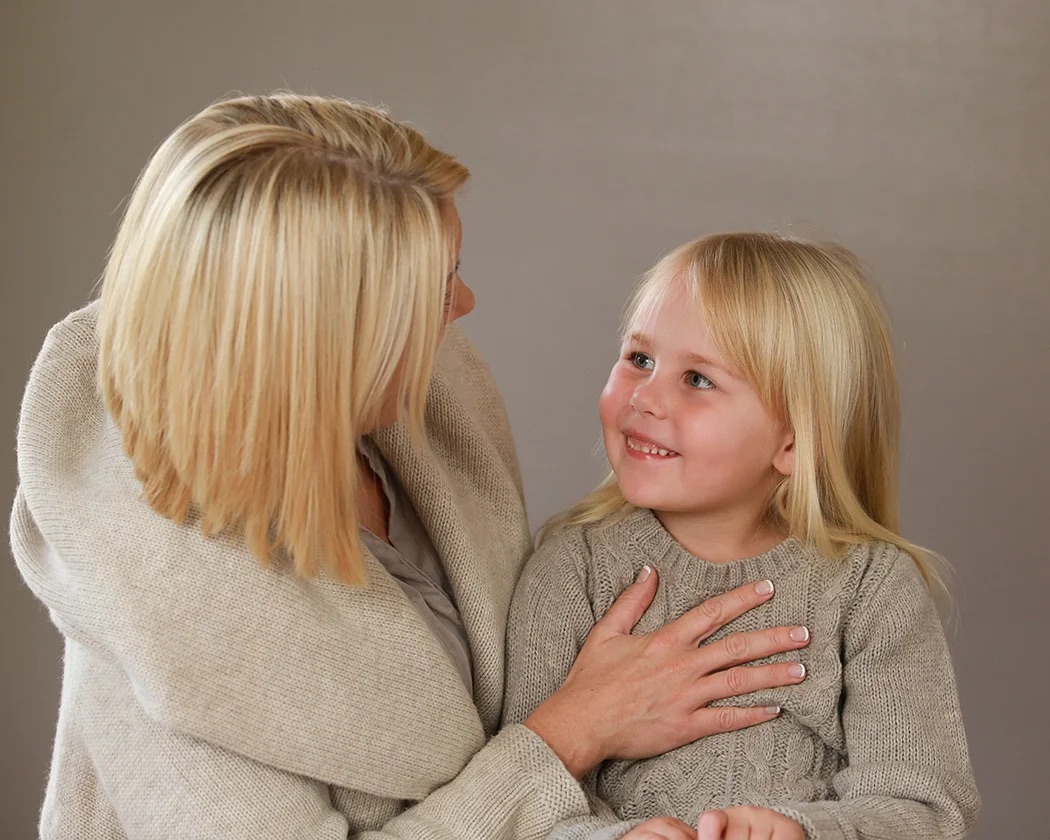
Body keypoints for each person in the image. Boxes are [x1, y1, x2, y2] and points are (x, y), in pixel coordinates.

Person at [9, 95, 813, 839]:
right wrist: (573, 731)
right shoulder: (160, 626)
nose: (464, 305)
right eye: (434, 293)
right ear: (331, 345)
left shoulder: (432, 414)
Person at [504, 233, 981, 839]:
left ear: (793, 441)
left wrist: (802, 832)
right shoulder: (571, 566)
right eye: (639, 359)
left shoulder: (869, 587)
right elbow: (523, 798)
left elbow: (925, 811)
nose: (646, 398)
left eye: (698, 379)